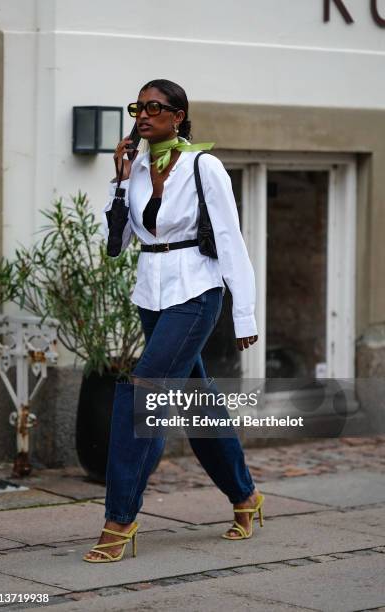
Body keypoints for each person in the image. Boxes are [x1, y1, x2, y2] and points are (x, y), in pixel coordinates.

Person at [83, 79, 265, 563]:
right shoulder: (136, 168)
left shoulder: (205, 166)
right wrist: (119, 179)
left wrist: (244, 311)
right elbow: (117, 243)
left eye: (154, 108)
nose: (142, 116)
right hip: (151, 291)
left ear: (178, 116)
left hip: (195, 291)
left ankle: (119, 520)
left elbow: (230, 239)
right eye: (138, 107)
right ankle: (245, 497)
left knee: (143, 389)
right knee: (196, 402)